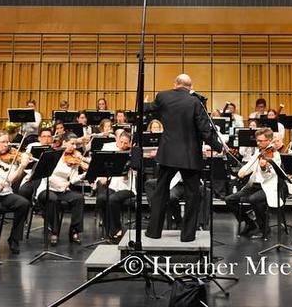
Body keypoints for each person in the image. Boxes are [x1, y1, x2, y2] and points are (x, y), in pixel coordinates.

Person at [145, 74, 224, 242]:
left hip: (168, 154)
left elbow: (147, 109)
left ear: (175, 84)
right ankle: (187, 235)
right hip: (189, 156)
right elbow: (205, 130)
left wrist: (144, 104)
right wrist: (219, 147)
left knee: (160, 192)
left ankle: (153, 232)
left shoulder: (163, 96)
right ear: (190, 87)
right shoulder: (195, 102)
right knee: (192, 196)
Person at [225, 128, 279, 239]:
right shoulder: (259, 153)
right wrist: (242, 171)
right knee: (229, 199)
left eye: (261, 141)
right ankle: (250, 223)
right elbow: (249, 165)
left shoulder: (275, 155)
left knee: (254, 199)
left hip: (267, 187)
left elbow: (269, 175)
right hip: (253, 186)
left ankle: (264, 229)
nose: (258, 143)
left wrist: (263, 168)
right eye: (257, 140)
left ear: (269, 140)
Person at [36, 133, 87, 245]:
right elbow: (46, 176)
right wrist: (60, 184)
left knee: (79, 198)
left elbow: (73, 179)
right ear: (64, 142)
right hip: (47, 188)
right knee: (52, 199)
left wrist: (84, 175)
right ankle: (54, 232)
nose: (74, 147)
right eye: (72, 144)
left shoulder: (74, 159)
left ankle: (74, 231)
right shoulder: (52, 155)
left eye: (76, 144)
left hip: (62, 190)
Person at [94, 131, 135, 240]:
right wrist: (103, 177)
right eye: (121, 142)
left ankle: (117, 229)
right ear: (118, 141)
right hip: (113, 186)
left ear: (130, 143)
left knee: (112, 199)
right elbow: (103, 167)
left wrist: (128, 170)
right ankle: (108, 229)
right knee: (101, 198)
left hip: (127, 188)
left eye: (126, 143)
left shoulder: (131, 155)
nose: (123, 145)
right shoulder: (114, 154)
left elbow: (135, 174)